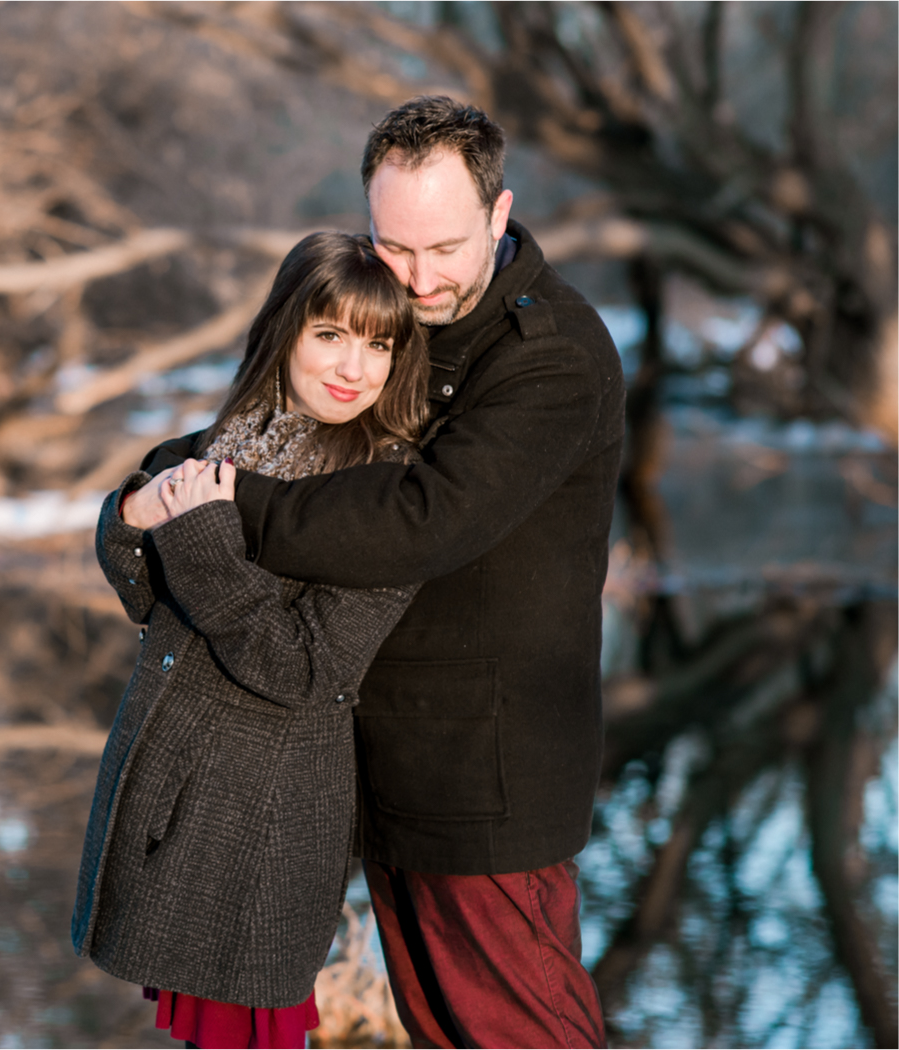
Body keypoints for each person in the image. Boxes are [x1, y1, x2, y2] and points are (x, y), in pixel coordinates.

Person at [127, 97, 625, 1049]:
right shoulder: (389, 314)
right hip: (377, 760)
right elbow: (285, 418)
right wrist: (154, 487)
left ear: (498, 212)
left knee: (523, 1034)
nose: (419, 278)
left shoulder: (554, 358)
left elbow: (422, 520)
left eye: (444, 248)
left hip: (485, 777)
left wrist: (221, 505)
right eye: (394, 246)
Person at [72, 232, 429, 1050]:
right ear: (284, 330)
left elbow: (306, 668)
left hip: (263, 817)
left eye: (380, 343)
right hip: (182, 791)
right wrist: (129, 517)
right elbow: (149, 601)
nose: (354, 367)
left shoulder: (389, 492)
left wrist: (196, 538)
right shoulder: (238, 439)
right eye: (330, 334)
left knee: (253, 1034)